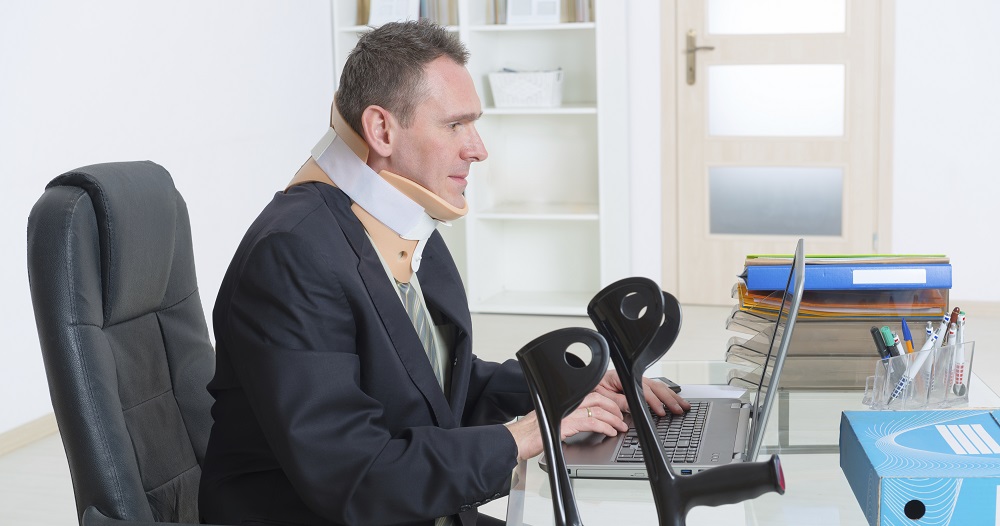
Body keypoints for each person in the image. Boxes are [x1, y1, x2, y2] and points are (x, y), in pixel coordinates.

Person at [198, 20, 688, 526]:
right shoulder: (293, 255)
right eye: (455, 125)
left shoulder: (399, 219)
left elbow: (435, 383)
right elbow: (355, 477)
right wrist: (526, 434)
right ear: (382, 130)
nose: (478, 148)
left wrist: (571, 387)